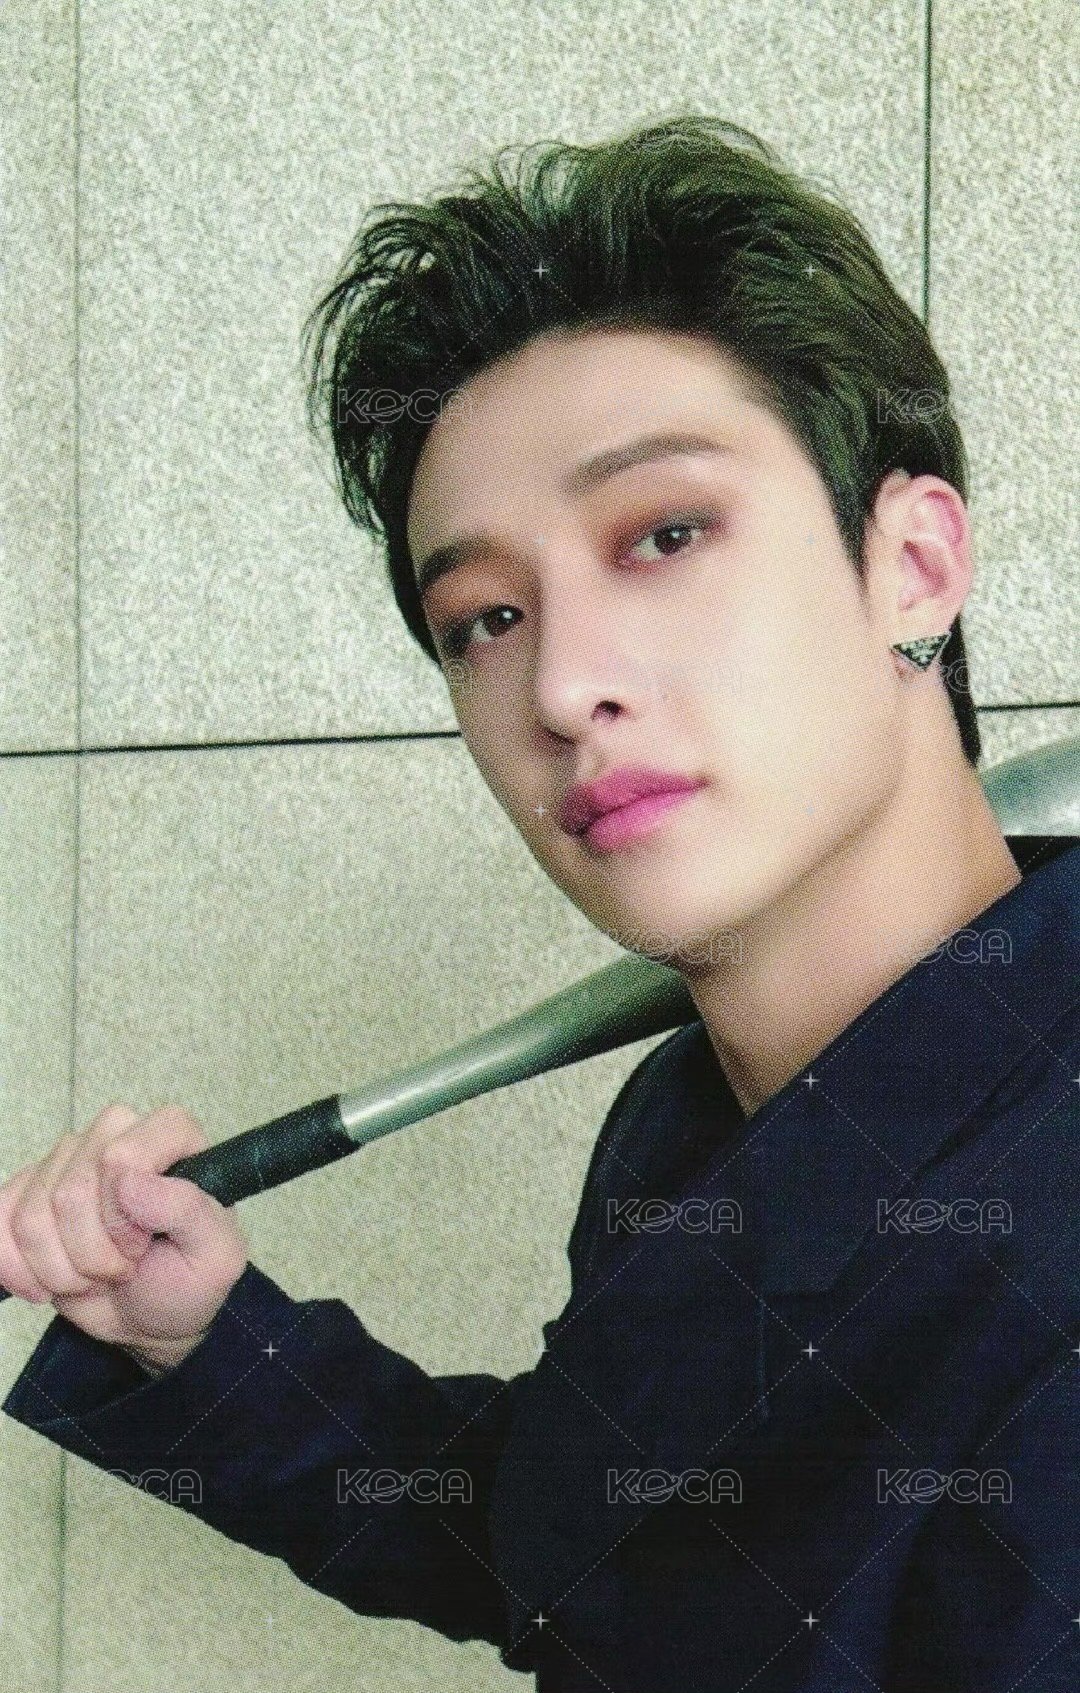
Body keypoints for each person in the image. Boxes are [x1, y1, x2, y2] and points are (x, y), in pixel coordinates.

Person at [2, 114, 1077, 1692]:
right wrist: (204, 1340)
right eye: (487, 617)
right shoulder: (678, 1128)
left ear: (911, 565)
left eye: (666, 533)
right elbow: (608, 1554)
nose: (564, 685)